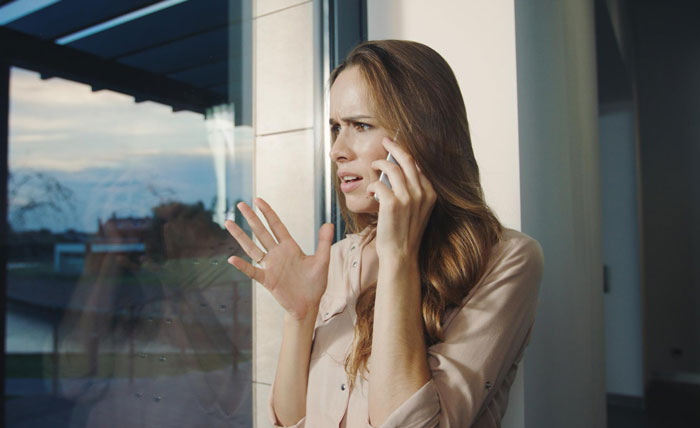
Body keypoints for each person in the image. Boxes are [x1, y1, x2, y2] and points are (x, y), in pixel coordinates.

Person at [225, 40, 544, 428]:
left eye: (360, 125)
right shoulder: (338, 259)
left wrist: (399, 259)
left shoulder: (509, 258)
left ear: (422, 135)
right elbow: (292, 421)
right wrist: (300, 316)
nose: (337, 150)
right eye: (335, 128)